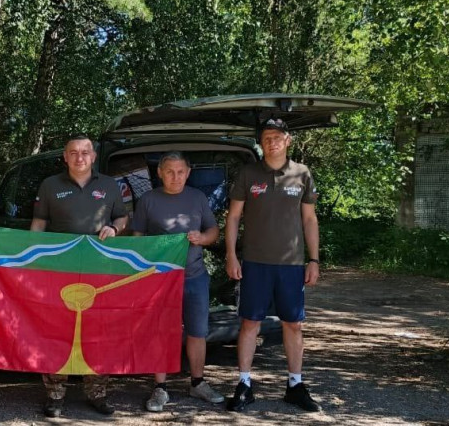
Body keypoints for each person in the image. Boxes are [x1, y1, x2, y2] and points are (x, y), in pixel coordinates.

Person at [224, 118, 322, 413]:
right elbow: (233, 217)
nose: (272, 142)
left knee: (293, 323)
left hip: (291, 264)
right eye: (267, 137)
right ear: (261, 142)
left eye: (278, 137)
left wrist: (314, 260)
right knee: (250, 323)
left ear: (288, 140)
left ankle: (295, 385)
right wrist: (231, 255)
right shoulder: (248, 173)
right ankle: (244, 385)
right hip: (255, 263)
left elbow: (309, 219)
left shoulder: (302, 173)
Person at [30, 134, 128, 418]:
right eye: (73, 152)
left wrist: (115, 229)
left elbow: (123, 218)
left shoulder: (110, 185)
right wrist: (32, 261)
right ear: (65, 156)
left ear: (93, 156)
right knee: (57, 329)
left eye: (85, 152)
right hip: (60, 269)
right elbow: (39, 223)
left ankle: (97, 394)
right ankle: (55, 396)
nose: (79, 157)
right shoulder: (50, 185)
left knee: (98, 330)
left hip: (99, 269)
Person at [132, 152, 224, 412]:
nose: (176, 177)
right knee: (161, 331)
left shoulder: (197, 197)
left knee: (197, 331)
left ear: (188, 172)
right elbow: (137, 238)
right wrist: (149, 253)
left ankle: (198, 382)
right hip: (160, 278)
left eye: (180, 171)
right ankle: (160, 388)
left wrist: (202, 238)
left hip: (194, 276)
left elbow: (213, 231)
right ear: (160, 173)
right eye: (170, 172)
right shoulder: (148, 200)